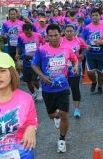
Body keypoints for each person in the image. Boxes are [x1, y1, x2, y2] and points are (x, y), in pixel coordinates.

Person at [0, 52, 38, 159]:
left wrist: (32, 128)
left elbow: (32, 121)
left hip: (23, 154)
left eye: (2, 70)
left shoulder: (26, 98)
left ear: (12, 72)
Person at [31, 24, 78, 153]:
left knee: (65, 114)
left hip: (63, 87)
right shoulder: (42, 50)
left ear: (60, 34)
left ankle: (62, 139)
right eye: (50, 36)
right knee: (52, 115)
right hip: (48, 89)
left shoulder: (67, 48)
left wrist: (75, 66)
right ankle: (55, 117)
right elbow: (34, 65)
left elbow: (75, 60)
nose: (53, 38)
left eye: (55, 35)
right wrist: (43, 76)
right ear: (47, 36)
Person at [61, 24, 88, 118]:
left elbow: (85, 47)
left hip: (75, 67)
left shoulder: (78, 40)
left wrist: (82, 54)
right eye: (67, 31)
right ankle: (63, 107)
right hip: (62, 68)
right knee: (64, 88)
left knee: (75, 88)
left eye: (71, 31)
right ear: (64, 32)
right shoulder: (60, 41)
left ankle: (77, 109)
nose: (69, 33)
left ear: (74, 32)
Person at [82, 8, 103, 94]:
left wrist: (102, 42)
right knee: (90, 72)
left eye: (96, 15)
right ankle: (94, 82)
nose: (95, 17)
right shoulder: (87, 28)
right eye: (93, 15)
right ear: (90, 16)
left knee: (100, 73)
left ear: (99, 16)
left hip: (101, 53)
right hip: (90, 53)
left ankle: (100, 87)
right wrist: (86, 46)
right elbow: (82, 40)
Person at [16, 23, 44, 100]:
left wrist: (41, 52)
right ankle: (33, 93)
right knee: (27, 80)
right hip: (26, 61)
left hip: (36, 60)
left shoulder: (38, 35)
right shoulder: (21, 36)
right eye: (26, 32)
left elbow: (43, 43)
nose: (28, 34)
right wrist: (17, 54)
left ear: (31, 30)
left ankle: (39, 90)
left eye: (29, 32)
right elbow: (18, 46)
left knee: (34, 80)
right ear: (23, 31)